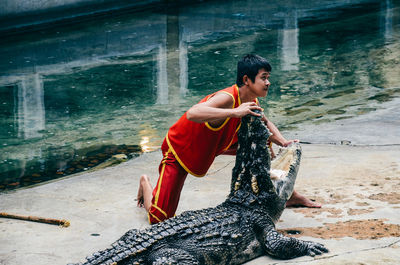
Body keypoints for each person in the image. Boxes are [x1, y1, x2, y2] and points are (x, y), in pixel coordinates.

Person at [137, 54, 321, 224]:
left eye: (268, 77)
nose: (268, 82)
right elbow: (193, 113)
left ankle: (289, 195)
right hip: (181, 149)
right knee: (158, 219)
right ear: (246, 80)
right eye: (263, 77)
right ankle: (145, 183)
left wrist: (282, 141)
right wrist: (235, 112)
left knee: (261, 140)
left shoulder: (251, 99)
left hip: (216, 145)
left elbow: (265, 123)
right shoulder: (227, 98)